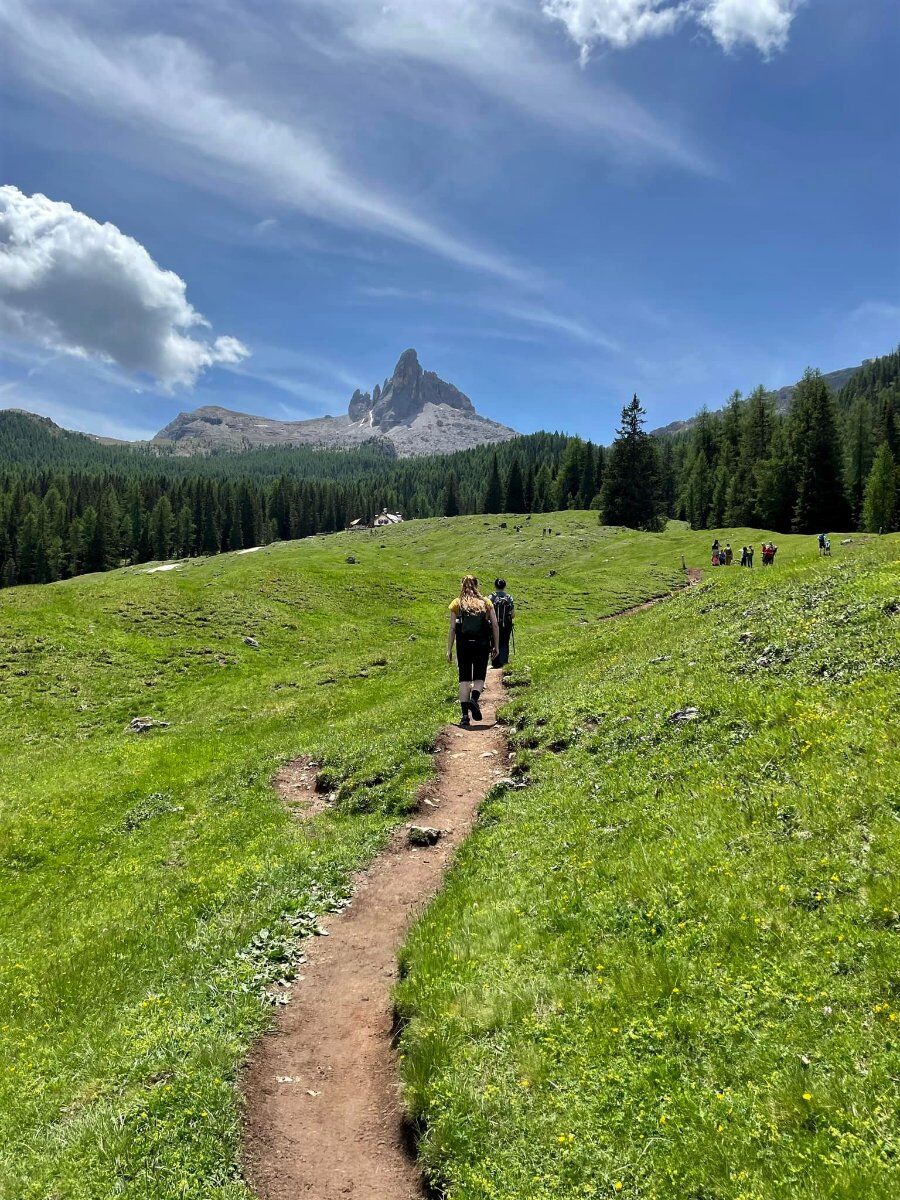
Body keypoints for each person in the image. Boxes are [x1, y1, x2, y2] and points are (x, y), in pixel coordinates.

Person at [447, 575, 500, 727]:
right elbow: (495, 625)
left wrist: (449, 649)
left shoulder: (457, 603)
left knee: (464, 679)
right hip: (481, 644)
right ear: (477, 585)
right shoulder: (486, 602)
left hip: (463, 645)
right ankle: (474, 700)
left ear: (462, 585)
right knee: (479, 676)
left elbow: (452, 628)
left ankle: (464, 716)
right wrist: (496, 646)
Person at [490, 578, 515, 666]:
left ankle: (495, 662)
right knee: (504, 642)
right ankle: (503, 662)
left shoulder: (491, 597)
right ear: (504, 586)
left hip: (493, 625)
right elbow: (512, 614)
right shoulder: (509, 597)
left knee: (494, 642)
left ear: (495, 585)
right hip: (506, 625)